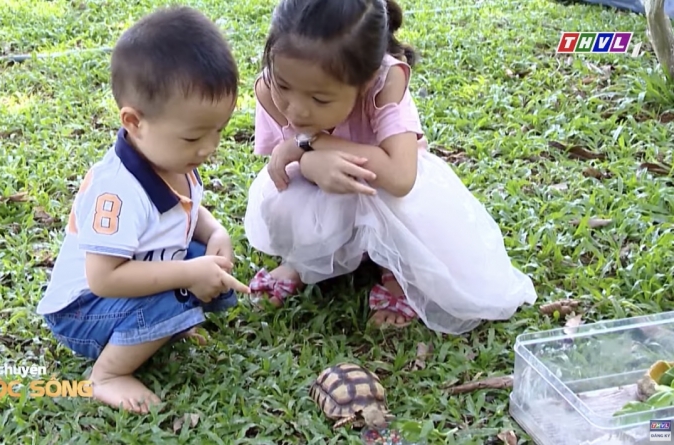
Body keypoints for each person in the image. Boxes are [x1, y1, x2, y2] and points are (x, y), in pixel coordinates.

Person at [244, 0, 538, 334]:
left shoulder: (387, 80)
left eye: (320, 99)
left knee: (399, 208)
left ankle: (397, 271)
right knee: (283, 198)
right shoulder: (271, 87)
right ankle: (301, 262)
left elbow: (400, 178)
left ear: (366, 81)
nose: (296, 111)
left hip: (383, 184)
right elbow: (285, 165)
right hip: (321, 183)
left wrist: (312, 144)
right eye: (285, 87)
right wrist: (310, 162)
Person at [36, 6, 250, 414]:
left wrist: (216, 234)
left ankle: (163, 328)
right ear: (134, 121)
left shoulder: (172, 158)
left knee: (204, 263)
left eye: (218, 131)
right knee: (182, 285)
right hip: (83, 311)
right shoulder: (117, 191)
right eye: (193, 137)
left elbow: (186, 211)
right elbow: (104, 278)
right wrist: (188, 274)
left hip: (134, 269)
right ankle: (107, 375)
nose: (208, 148)